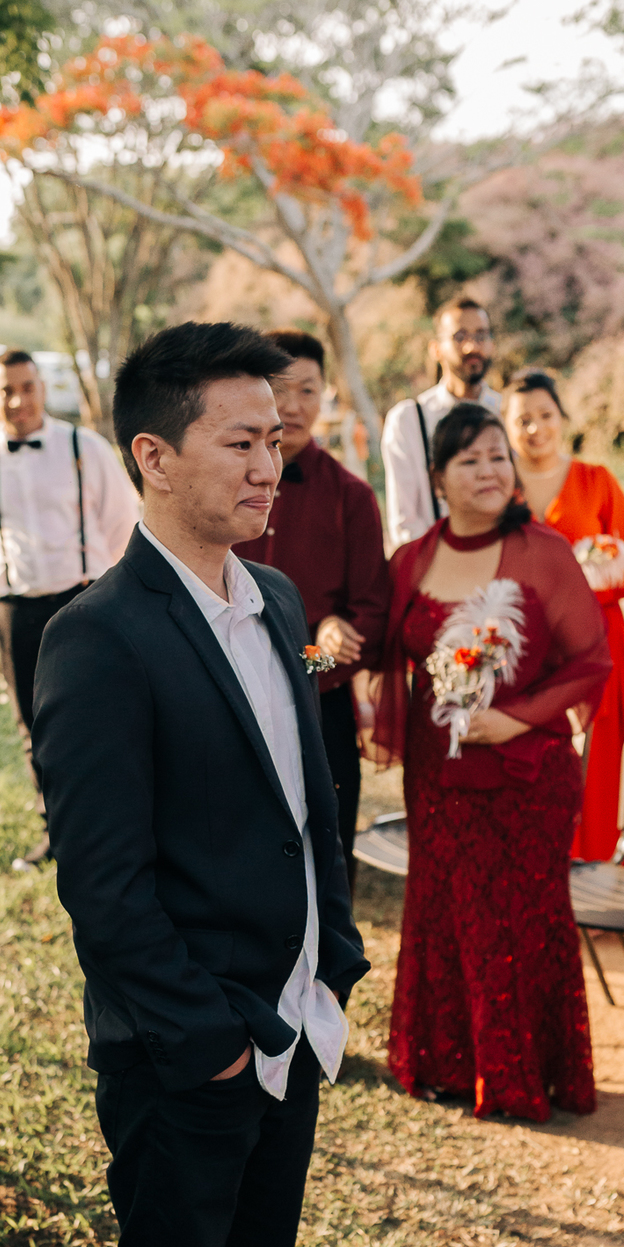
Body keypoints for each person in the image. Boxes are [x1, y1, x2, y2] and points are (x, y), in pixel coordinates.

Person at [31, 322, 371, 1247]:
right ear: (155, 456)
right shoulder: (97, 639)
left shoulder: (276, 601)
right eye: (240, 441)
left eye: (276, 439)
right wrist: (211, 1040)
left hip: (292, 1010)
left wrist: (331, 963)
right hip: (190, 1038)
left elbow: (307, 804)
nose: (269, 464)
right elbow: (105, 887)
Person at [372, 403, 612, 1120]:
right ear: (437, 477)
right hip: (435, 774)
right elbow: (383, 651)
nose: (489, 471)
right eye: (469, 459)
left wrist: (514, 718)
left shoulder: (544, 552)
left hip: (525, 772)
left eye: (498, 457)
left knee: (517, 917)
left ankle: (523, 1074)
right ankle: (446, 1064)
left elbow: (590, 661)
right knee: (442, 908)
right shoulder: (412, 560)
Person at [0, 347, 140, 866]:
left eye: (26, 388)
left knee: (101, 716)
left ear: (42, 389)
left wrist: (105, 594)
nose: (18, 401)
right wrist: (4, 585)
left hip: (85, 604)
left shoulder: (86, 448)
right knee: (34, 724)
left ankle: (112, 824)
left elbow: (122, 522)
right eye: (6, 391)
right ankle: (57, 828)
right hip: (18, 609)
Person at [244, 327, 392, 886]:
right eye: (278, 390)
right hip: (232, 691)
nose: (293, 405)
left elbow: (371, 612)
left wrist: (321, 654)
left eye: (307, 390)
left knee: (327, 857)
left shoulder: (352, 496)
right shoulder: (225, 485)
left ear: (326, 395)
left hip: (321, 703)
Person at [503, 369, 624, 868]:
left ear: (562, 418)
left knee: (600, 764)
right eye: (522, 419)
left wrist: (583, 583)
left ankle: (604, 869)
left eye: (545, 415)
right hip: (521, 645)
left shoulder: (596, 481)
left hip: (595, 642)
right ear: (506, 426)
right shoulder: (496, 485)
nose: (535, 428)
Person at [381, 298, 502, 548]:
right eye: (460, 336)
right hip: (435, 560)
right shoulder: (408, 421)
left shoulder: (507, 412)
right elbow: (405, 523)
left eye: (481, 336)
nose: (472, 346)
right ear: (435, 349)